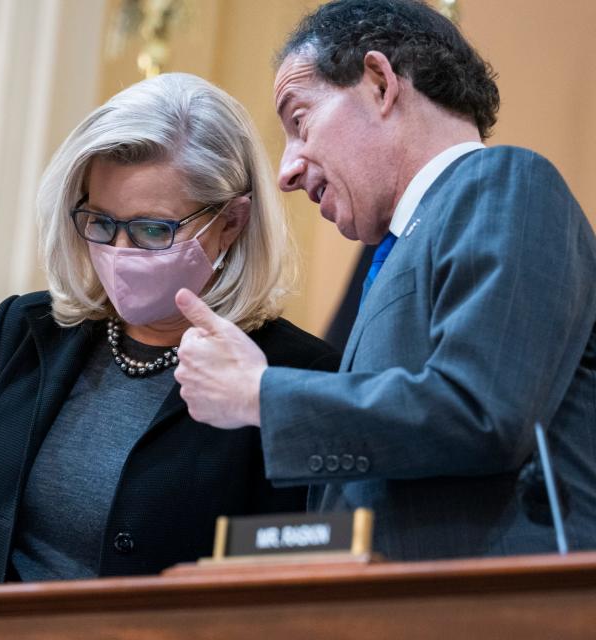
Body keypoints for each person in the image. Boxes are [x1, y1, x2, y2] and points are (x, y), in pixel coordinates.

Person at [174, 0, 596, 560]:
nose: (287, 171)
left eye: (299, 122)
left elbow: (480, 413)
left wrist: (261, 394)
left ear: (379, 83)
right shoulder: (404, 247)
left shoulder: (505, 183)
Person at [0, 72, 339, 583]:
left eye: (153, 229)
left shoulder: (293, 373)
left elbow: (285, 593)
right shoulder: (24, 331)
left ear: (231, 223)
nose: (120, 254)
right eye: (102, 223)